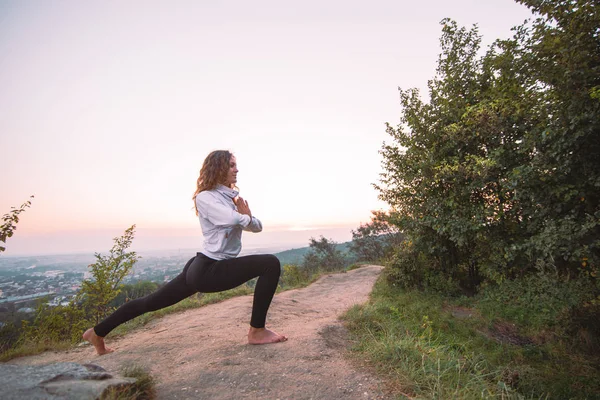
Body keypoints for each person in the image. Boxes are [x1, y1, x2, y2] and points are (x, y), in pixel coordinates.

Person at [83, 150, 287, 355]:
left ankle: (97, 332)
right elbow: (231, 220)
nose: (237, 169)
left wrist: (247, 218)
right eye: (232, 165)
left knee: (151, 302)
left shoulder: (229, 199)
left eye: (235, 165)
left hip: (201, 266)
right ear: (218, 168)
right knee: (270, 263)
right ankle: (257, 331)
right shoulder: (205, 197)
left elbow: (257, 226)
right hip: (209, 269)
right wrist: (245, 218)